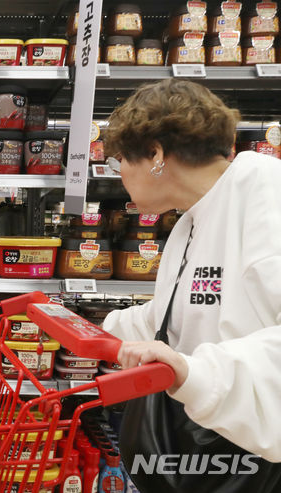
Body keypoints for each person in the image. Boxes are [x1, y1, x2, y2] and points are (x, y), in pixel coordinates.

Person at [101, 79, 281, 490]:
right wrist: (94, 328)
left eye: (118, 162)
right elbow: (180, 314)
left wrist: (194, 373)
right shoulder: (194, 217)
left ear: (155, 153)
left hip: (253, 458)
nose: (120, 175)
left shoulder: (266, 191)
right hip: (212, 440)